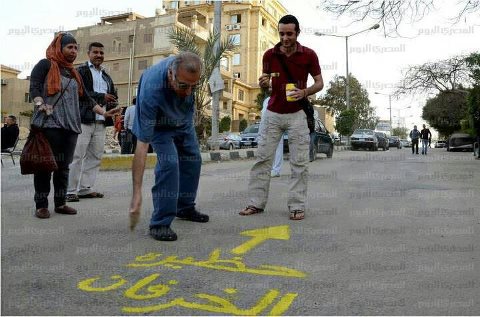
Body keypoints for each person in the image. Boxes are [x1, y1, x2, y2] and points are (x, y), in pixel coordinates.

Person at [240, 14, 324, 221]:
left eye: (289, 34)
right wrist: (263, 82)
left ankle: (297, 206)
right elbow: (266, 80)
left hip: (297, 115)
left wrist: (305, 92)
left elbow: (320, 83)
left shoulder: (309, 55)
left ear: (297, 33)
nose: (285, 38)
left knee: (299, 162)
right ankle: (255, 203)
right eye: (281, 33)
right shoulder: (269, 55)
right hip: (272, 114)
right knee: (262, 159)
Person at [129, 52, 209, 241]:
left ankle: (184, 207)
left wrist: (185, 90)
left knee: (193, 159)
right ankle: (160, 223)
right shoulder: (152, 90)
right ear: (171, 75)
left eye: (194, 86)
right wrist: (136, 194)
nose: (189, 92)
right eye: (183, 86)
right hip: (158, 125)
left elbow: (187, 91)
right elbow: (141, 147)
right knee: (169, 164)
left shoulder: (187, 77)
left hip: (182, 120)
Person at [28, 32, 102, 219]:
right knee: (45, 166)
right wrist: (40, 103)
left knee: (64, 167)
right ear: (59, 48)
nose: (73, 51)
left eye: (76, 48)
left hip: (70, 127)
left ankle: (60, 203)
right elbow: (35, 87)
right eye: (70, 47)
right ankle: (41, 205)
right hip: (49, 124)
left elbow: (86, 97)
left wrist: (104, 112)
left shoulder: (73, 72)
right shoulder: (45, 64)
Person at [66, 42, 121, 202]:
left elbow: (111, 95)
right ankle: (70, 191)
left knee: (95, 156)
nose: (99, 55)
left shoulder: (106, 76)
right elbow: (78, 93)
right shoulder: (80, 71)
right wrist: (101, 96)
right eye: (95, 52)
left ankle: (85, 189)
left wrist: (112, 104)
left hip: (101, 121)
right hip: (83, 119)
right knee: (76, 156)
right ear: (88, 54)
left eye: (101, 53)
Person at [260, 96, 284, 177]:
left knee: (278, 149)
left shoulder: (281, 98)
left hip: (277, 126)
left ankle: (276, 170)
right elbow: (263, 115)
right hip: (266, 127)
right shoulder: (266, 100)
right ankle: (268, 169)